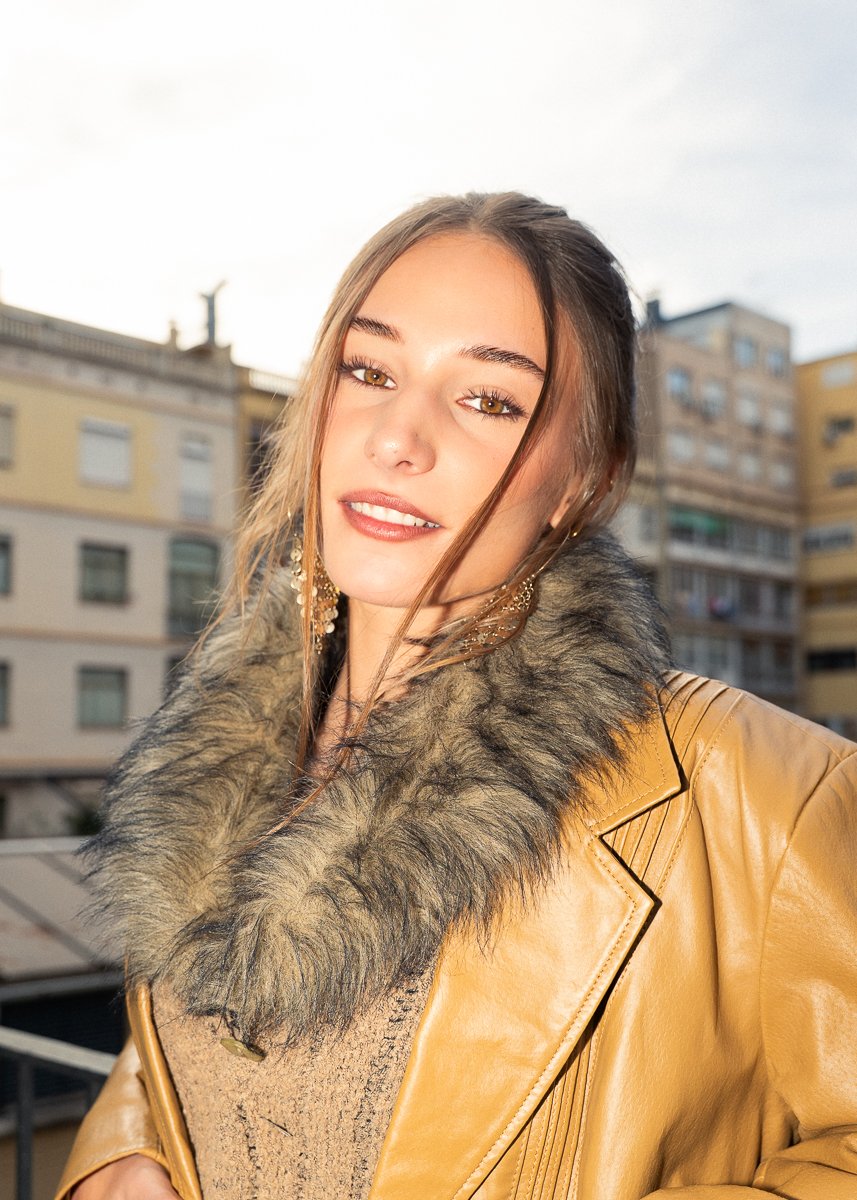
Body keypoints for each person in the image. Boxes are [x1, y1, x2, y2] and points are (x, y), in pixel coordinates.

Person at [58, 193, 857, 1200]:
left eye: (487, 400)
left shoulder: (761, 792)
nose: (397, 437)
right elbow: (182, 1035)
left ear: (580, 477)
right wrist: (121, 1154)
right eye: (369, 369)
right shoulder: (218, 753)